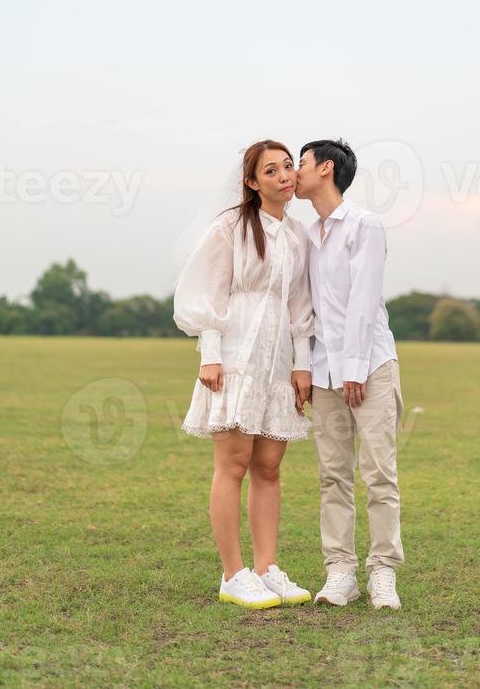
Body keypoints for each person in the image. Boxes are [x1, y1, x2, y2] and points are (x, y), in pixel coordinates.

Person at [173, 139, 314, 610]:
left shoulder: (297, 235)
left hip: (277, 362)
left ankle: (266, 568)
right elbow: (205, 289)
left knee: (269, 467)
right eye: (271, 170)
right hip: (234, 356)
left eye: (289, 167)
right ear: (252, 182)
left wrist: (301, 365)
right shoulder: (230, 227)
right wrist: (209, 352)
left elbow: (300, 306)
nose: (284, 176)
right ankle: (233, 574)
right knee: (232, 465)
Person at [295, 138, 404, 610]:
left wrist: (355, 369)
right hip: (322, 370)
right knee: (332, 476)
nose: (293, 173)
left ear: (324, 168)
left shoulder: (364, 224)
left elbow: (364, 300)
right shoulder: (308, 235)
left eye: (298, 164)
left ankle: (383, 572)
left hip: (370, 366)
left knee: (379, 473)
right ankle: (340, 572)